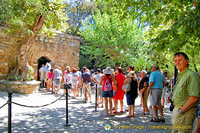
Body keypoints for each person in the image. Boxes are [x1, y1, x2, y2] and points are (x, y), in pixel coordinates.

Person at [169, 52, 200, 133]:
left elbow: (194, 97)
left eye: (180, 60)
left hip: (185, 112)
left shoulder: (191, 75)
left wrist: (181, 111)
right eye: (175, 61)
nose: (177, 63)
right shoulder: (181, 74)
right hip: (178, 110)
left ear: (186, 61)